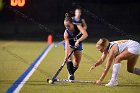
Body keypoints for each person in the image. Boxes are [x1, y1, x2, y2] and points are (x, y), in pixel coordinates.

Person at [64, 13, 88, 80]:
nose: (67, 28)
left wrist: (78, 41)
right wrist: (66, 55)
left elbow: (85, 35)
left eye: (68, 26)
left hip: (78, 44)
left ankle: (71, 73)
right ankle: (70, 75)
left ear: (72, 24)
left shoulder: (78, 26)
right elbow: (67, 45)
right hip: (70, 45)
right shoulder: (66, 33)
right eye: (65, 26)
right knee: (69, 58)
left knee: (77, 62)